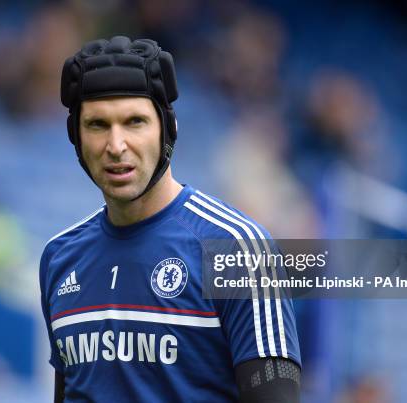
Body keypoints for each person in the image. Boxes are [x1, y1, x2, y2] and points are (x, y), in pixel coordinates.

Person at [40, 36, 301, 403]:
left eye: (135, 122)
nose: (116, 145)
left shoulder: (237, 249)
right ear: (76, 138)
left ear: (168, 128)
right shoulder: (58, 258)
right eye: (98, 125)